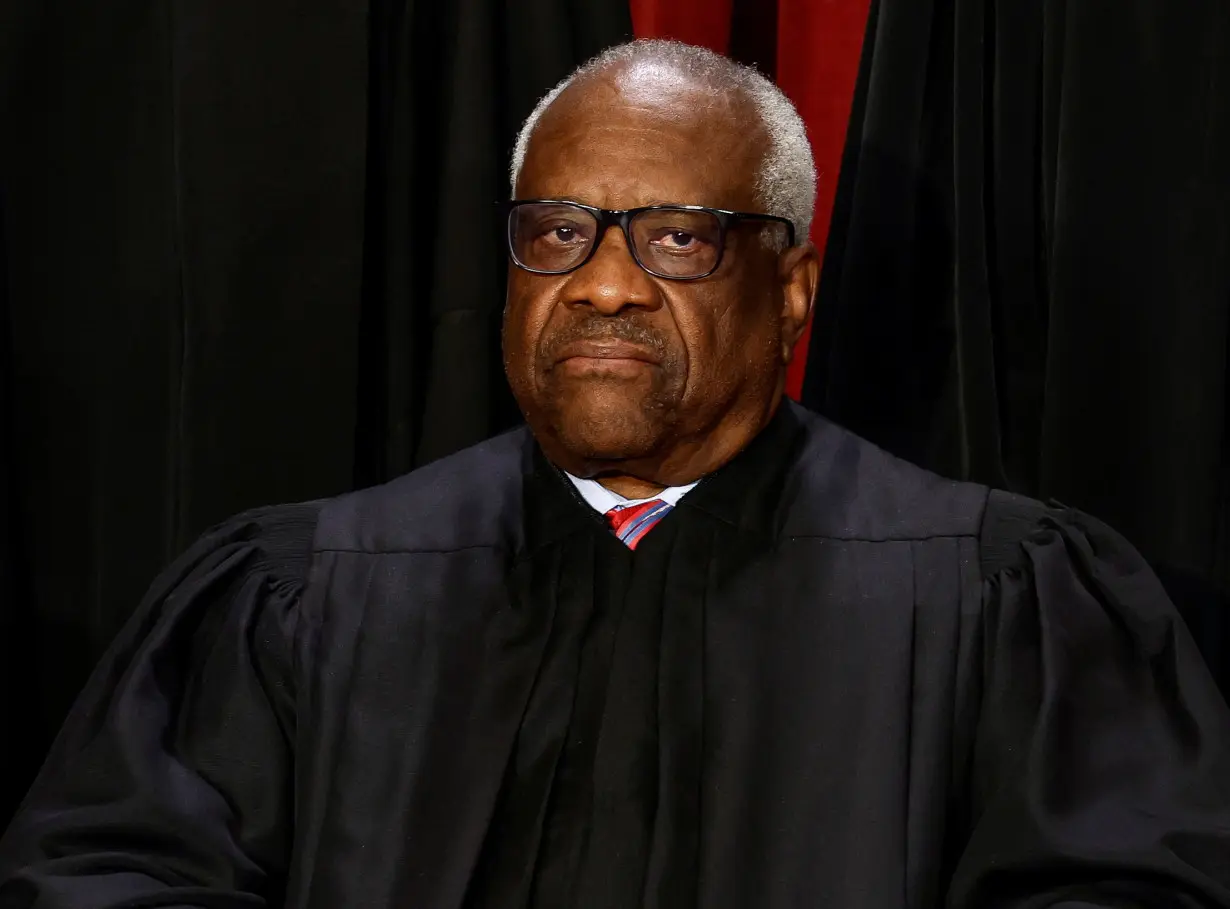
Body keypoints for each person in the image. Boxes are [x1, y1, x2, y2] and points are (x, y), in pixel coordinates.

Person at [2, 38, 1228, 909]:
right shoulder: (311, 592)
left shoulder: (992, 594)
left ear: (792, 291)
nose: (602, 281)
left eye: (677, 238)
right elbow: (121, 870)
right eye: (557, 231)